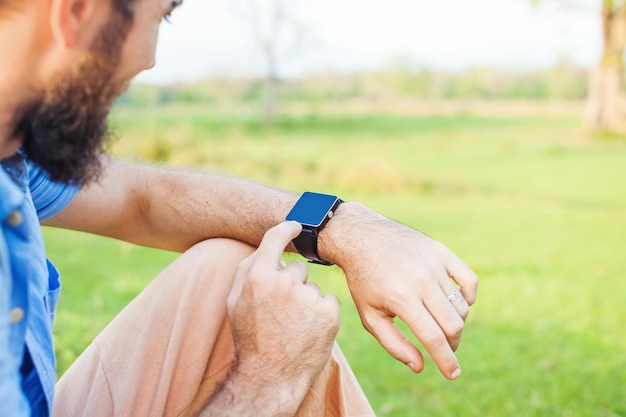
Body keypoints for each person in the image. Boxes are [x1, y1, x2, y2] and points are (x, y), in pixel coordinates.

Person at [0, 0, 479, 416]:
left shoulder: (11, 156)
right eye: (161, 17)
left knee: (229, 270)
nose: (149, 61)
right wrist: (265, 381)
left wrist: (343, 227)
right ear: (75, 13)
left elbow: (137, 198)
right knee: (275, 354)